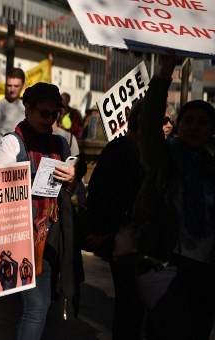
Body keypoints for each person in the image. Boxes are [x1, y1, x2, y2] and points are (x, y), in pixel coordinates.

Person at [132, 53, 215, 340]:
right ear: (178, 126)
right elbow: (148, 122)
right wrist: (166, 70)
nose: (194, 127)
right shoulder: (164, 158)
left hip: (205, 269)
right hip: (164, 262)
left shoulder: (212, 167)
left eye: (202, 122)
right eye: (188, 120)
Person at [0, 82, 76, 340]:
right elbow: (0, 191)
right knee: (36, 308)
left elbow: (73, 186)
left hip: (49, 238)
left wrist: (72, 175)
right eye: (44, 113)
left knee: (41, 305)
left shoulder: (60, 144)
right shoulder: (12, 143)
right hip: (19, 236)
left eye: (54, 114)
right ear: (27, 109)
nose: (50, 120)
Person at [82, 100, 147, 340]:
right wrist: (100, 231)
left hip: (144, 238)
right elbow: (101, 192)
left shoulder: (153, 151)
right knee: (129, 303)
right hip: (120, 237)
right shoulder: (119, 149)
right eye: (161, 120)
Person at [0, 68, 26, 144]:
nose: (12, 89)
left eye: (16, 86)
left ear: (23, 85)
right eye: (9, 85)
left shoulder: (26, 107)